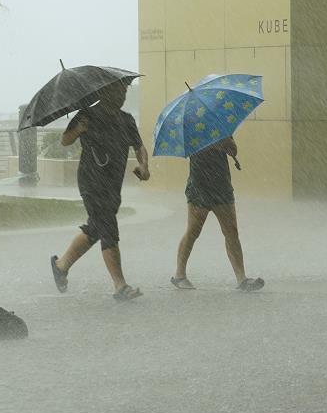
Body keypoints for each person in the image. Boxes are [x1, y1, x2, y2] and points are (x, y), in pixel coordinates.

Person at [49, 81, 150, 301]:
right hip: (92, 182)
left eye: (125, 91)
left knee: (96, 228)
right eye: (118, 91)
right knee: (108, 227)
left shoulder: (126, 119)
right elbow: (65, 140)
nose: (122, 95)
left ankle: (61, 265)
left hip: (113, 184)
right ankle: (120, 286)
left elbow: (139, 146)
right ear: (104, 92)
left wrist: (144, 166)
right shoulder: (87, 115)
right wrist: (79, 129)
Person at [170, 135, 264, 292]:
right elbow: (189, 150)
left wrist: (228, 143)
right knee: (193, 231)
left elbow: (233, 150)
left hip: (222, 185)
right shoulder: (192, 128)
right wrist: (214, 143)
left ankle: (242, 279)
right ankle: (179, 275)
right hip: (199, 186)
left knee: (231, 231)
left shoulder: (220, 126)